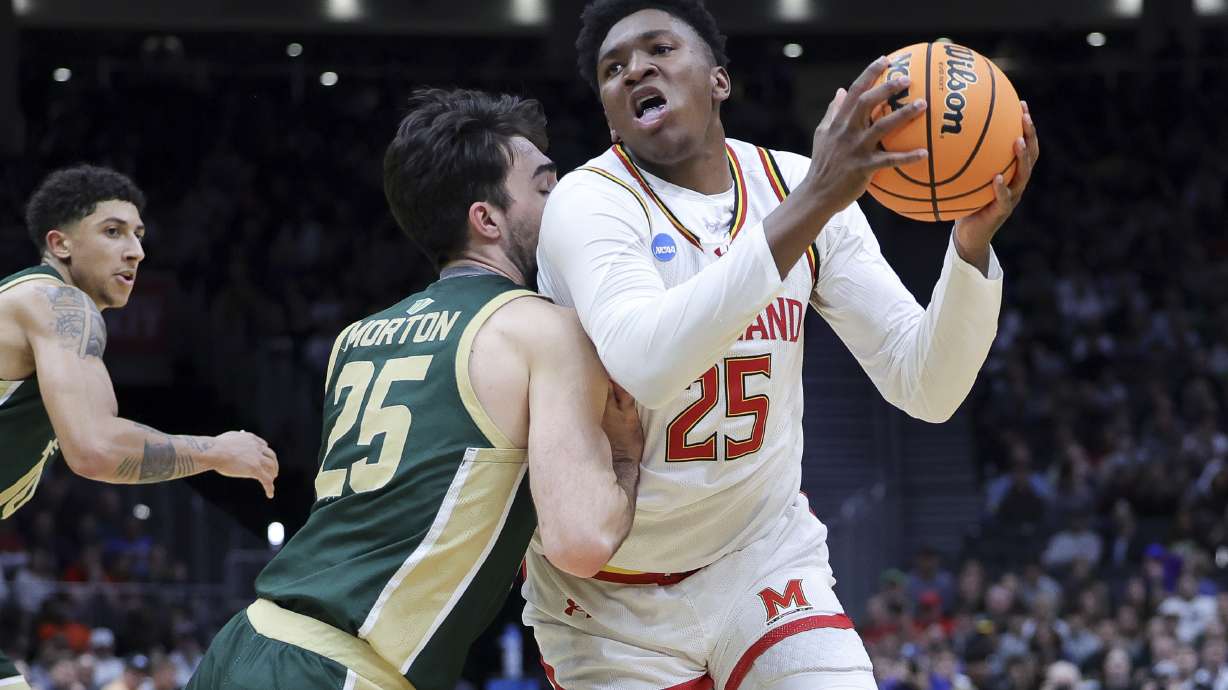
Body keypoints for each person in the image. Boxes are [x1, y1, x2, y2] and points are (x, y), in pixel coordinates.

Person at [523, 1, 1040, 688]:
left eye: (659, 49)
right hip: (612, 596)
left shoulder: (797, 186)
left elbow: (926, 385)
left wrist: (970, 243)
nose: (634, 69)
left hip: (758, 558)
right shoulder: (589, 203)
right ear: (611, 111)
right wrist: (818, 198)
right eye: (612, 69)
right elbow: (646, 361)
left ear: (719, 81)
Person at [188, 87, 643, 690]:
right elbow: (580, 541)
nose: (561, 202)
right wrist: (628, 456)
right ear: (486, 218)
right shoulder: (540, 328)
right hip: (343, 670)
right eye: (543, 187)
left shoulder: (358, 337)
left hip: (246, 642)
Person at [0, 165, 280, 690]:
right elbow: (95, 450)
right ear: (59, 244)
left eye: (139, 235)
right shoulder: (59, 303)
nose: (135, 251)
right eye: (112, 232)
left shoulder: (47, 317)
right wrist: (215, 451)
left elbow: (104, 437)